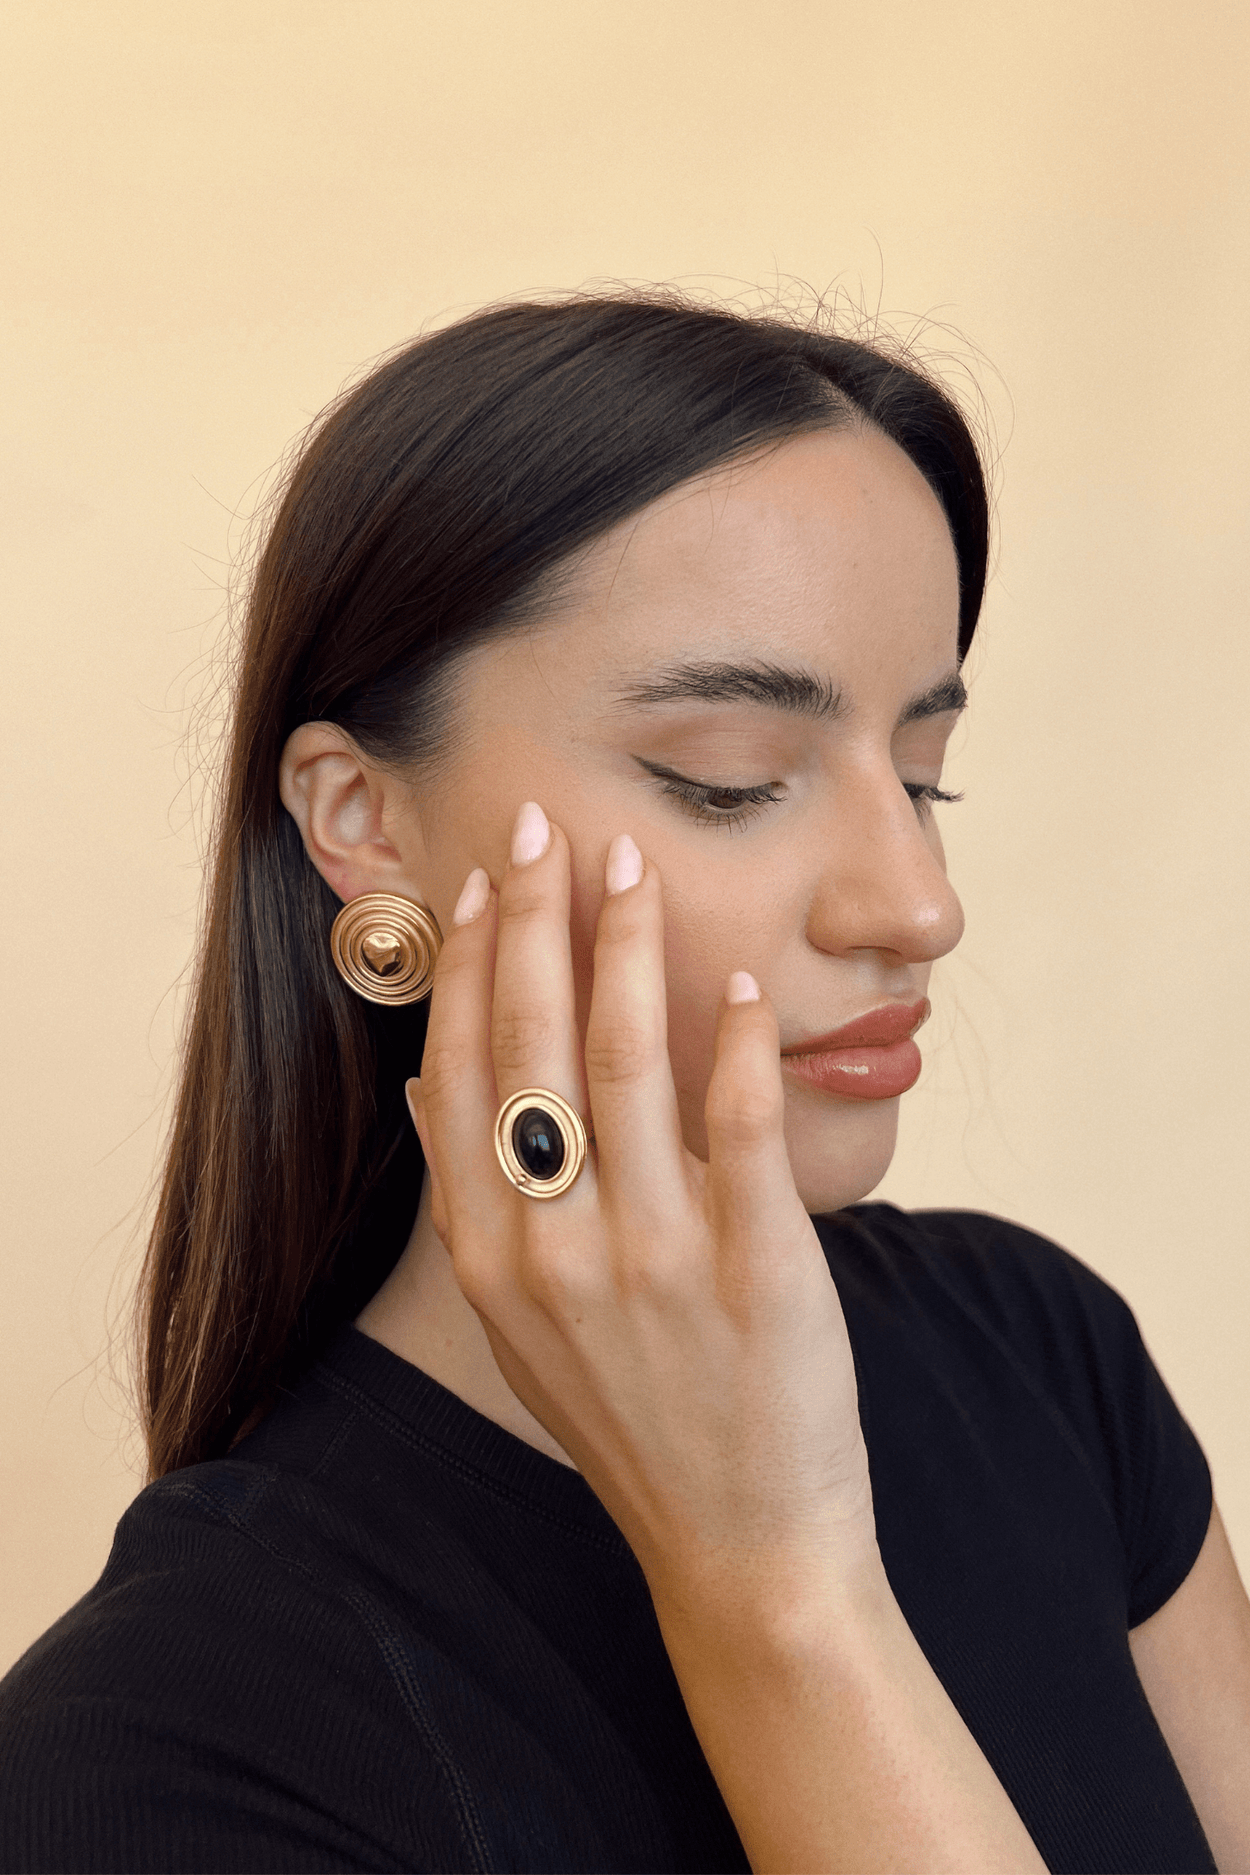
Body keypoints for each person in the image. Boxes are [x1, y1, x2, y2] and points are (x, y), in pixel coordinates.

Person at [1, 292, 1246, 1875]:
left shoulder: (1036, 1356)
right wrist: (777, 1591)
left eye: (921, 775)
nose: (918, 903)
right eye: (730, 780)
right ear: (363, 821)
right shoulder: (161, 1753)